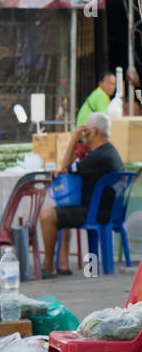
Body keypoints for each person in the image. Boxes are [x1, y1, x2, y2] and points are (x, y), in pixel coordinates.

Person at [39, 111, 125, 276]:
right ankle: (63, 265)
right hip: (109, 211)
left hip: (95, 213)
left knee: (47, 215)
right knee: (62, 209)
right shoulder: (110, 152)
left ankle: (48, 266)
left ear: (92, 131)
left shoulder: (97, 157)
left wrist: (74, 139)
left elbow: (65, 169)